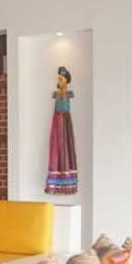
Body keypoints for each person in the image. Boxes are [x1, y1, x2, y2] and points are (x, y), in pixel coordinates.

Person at [45, 66, 78, 195]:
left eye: (62, 78)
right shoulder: (56, 94)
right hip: (57, 121)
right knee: (56, 147)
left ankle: (67, 181)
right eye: (59, 78)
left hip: (66, 121)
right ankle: (55, 182)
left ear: (66, 80)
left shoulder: (69, 94)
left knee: (67, 147)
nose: (60, 81)